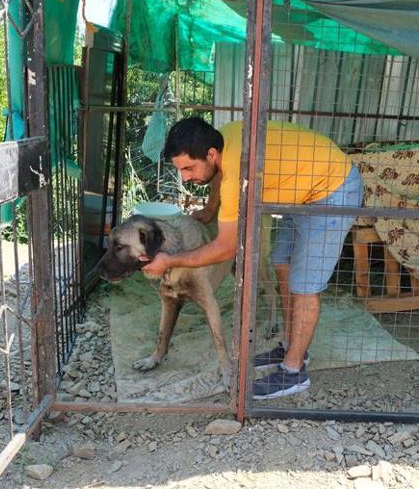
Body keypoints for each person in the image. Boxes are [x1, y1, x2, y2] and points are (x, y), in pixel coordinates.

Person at [142, 117, 362, 400]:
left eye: (188, 168)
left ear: (210, 154)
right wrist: (209, 210)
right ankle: (291, 345)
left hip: (334, 189)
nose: (185, 177)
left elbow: (225, 248)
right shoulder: (222, 141)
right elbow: (217, 174)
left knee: (305, 285)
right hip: (304, 189)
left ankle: (293, 372)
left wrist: (170, 261)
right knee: (281, 263)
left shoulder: (236, 170)